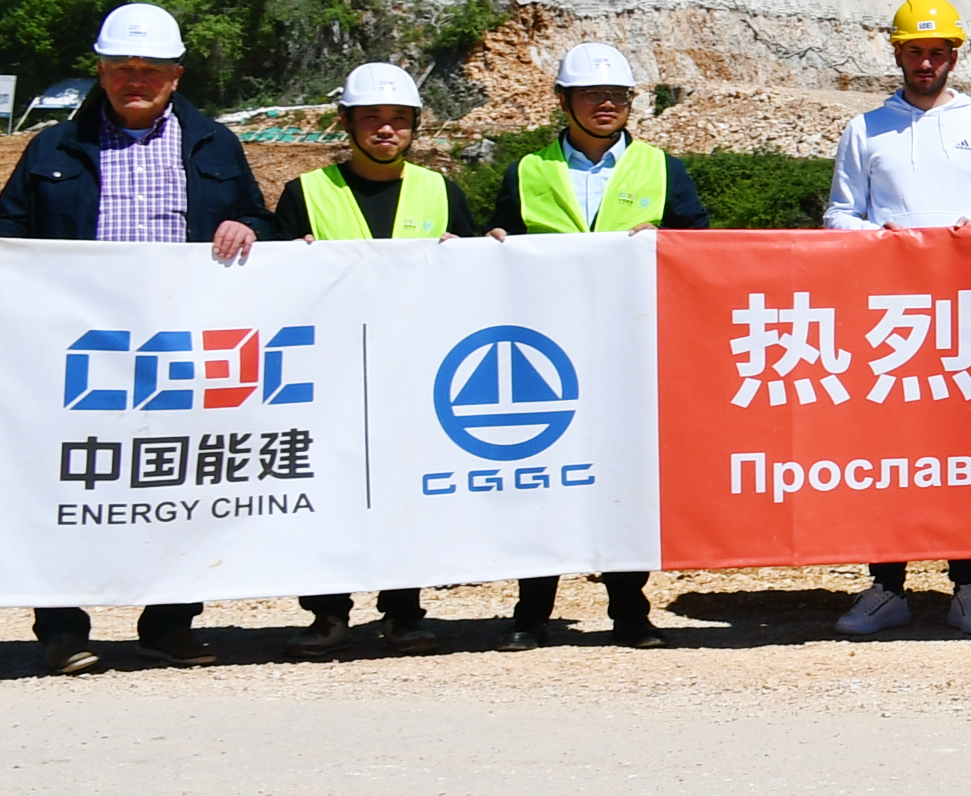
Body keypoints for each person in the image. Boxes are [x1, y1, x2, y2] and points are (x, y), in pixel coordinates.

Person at [0, 2, 270, 672]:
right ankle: (63, 626)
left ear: (176, 75)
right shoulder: (53, 147)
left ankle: (169, 621)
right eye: (122, 67)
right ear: (100, 72)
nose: (137, 79)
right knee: (67, 482)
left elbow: (258, 222)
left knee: (179, 484)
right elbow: (8, 224)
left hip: (180, 353)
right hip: (82, 356)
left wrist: (249, 230)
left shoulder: (216, 144)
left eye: (151, 69)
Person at [487, 41, 705, 650]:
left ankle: (629, 610)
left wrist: (665, 240)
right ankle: (532, 611)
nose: (606, 104)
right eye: (591, 94)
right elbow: (501, 243)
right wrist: (494, 241)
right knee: (544, 476)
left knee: (623, 479)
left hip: (630, 346)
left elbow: (701, 245)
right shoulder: (528, 171)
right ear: (564, 101)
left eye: (617, 95)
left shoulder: (663, 169)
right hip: (546, 348)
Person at [823, 0, 971, 639]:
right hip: (892, 323)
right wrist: (871, 235)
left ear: (954, 56)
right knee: (892, 453)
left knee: (962, 453)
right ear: (898, 53)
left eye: (938, 51)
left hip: (966, 317)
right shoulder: (865, 129)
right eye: (916, 50)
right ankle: (887, 586)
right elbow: (838, 215)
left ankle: (967, 585)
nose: (927, 62)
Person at [266, 60, 456, 652]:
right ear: (346, 122)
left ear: (414, 126)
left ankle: (404, 610)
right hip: (331, 373)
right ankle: (328, 611)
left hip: (413, 368)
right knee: (328, 492)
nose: (384, 130)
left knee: (406, 493)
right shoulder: (307, 193)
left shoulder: (440, 190)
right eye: (371, 118)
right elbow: (273, 287)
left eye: (398, 119)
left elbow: (475, 277)